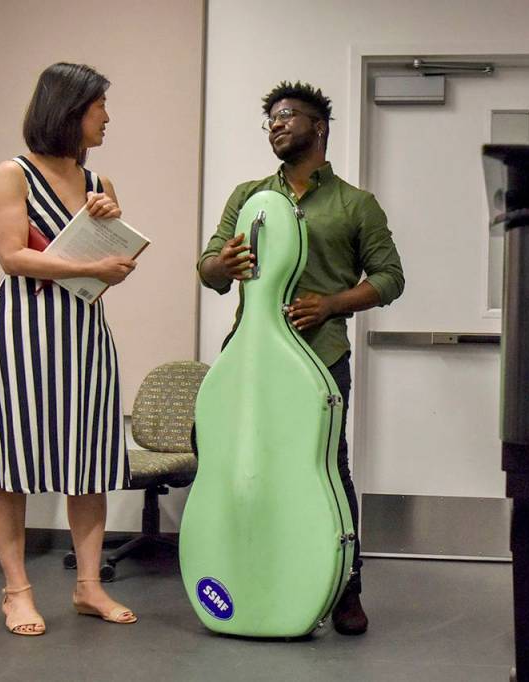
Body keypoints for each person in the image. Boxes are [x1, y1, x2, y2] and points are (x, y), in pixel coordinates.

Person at [197, 81, 404, 635]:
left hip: (321, 359)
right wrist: (225, 263)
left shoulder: (355, 204)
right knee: (238, 460)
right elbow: (208, 269)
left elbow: (390, 278)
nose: (276, 125)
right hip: (250, 358)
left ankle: (345, 589)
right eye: (269, 119)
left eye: (287, 116)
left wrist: (333, 303)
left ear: (320, 127)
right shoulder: (248, 197)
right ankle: (260, 570)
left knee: (326, 468)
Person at [0, 63, 138, 636]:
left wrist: (113, 238)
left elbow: (110, 266)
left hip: (84, 336)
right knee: (10, 465)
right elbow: (12, 256)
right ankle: (17, 592)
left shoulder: (100, 183)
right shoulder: (14, 173)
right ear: (70, 110)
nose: (107, 117)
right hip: (23, 332)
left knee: (89, 465)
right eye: (99, 106)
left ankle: (87, 588)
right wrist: (92, 263)